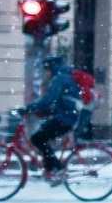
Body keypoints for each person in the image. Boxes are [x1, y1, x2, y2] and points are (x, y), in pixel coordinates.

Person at [22, 56, 84, 186]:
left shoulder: (59, 79)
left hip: (65, 119)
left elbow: (49, 99)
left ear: (52, 68)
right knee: (43, 138)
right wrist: (43, 111)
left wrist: (29, 108)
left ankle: (57, 169)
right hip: (68, 117)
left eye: (46, 70)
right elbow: (60, 101)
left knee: (37, 139)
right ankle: (51, 170)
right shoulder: (66, 77)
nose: (46, 73)